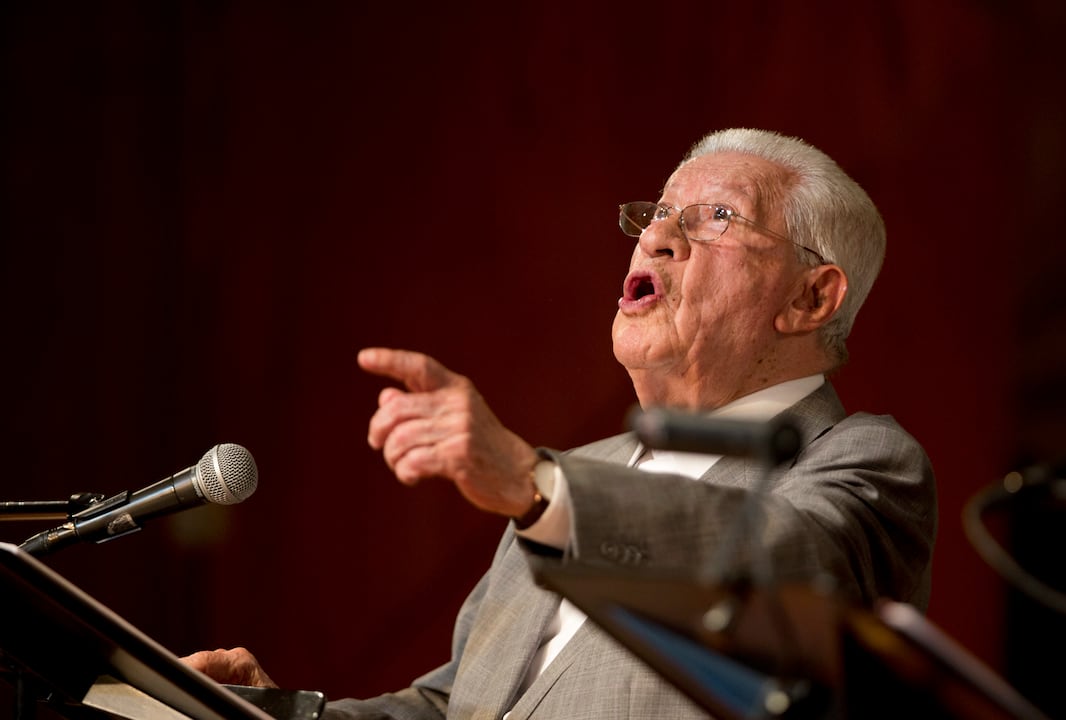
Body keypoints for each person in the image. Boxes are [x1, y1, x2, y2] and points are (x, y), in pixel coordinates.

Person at [185, 128, 938, 719]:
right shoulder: (576, 473)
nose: (657, 237)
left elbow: (781, 568)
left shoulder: (861, 461)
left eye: (716, 218)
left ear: (811, 299)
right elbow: (457, 707)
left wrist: (532, 484)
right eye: (656, 214)